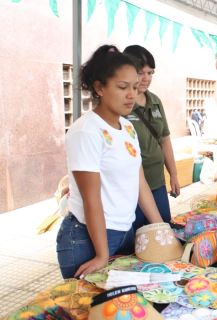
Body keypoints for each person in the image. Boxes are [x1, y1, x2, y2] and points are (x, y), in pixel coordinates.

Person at [57, 45, 163, 279]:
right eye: (123, 87)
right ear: (99, 88)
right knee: (87, 312)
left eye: (135, 88)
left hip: (125, 231)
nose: (131, 95)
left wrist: (160, 229)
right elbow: (90, 199)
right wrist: (102, 255)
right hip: (88, 239)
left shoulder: (127, 127)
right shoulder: (86, 131)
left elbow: (140, 182)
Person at [123, 45, 179, 229]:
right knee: (135, 240)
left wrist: (174, 175)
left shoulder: (155, 101)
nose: (146, 78)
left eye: (150, 72)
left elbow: (164, 139)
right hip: (130, 187)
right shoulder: (121, 104)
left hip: (156, 182)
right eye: (141, 73)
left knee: (162, 231)